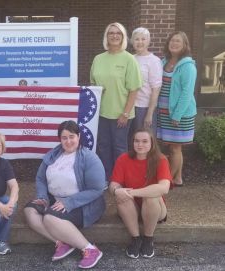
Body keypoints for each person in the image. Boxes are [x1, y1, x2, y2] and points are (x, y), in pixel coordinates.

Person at [24, 120, 106, 269]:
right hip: (53, 198)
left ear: (79, 136)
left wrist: (69, 202)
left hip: (82, 203)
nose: (68, 141)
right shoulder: (54, 154)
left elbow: (97, 189)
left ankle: (89, 249)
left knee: (49, 218)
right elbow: (41, 178)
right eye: (64, 138)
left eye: (72, 136)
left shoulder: (89, 158)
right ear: (60, 139)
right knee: (30, 210)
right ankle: (61, 243)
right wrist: (42, 196)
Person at [90, 22, 142, 183]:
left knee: (120, 148)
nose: (114, 36)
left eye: (118, 33)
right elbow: (93, 84)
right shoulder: (98, 59)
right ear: (106, 37)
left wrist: (125, 113)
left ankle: (120, 179)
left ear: (123, 37)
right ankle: (106, 178)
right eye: (111, 33)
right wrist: (99, 89)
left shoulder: (129, 59)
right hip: (102, 113)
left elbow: (134, 89)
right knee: (103, 147)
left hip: (122, 114)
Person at [110, 128, 172, 258]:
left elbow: (164, 188)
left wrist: (132, 193)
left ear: (152, 143)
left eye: (144, 141)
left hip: (156, 209)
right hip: (132, 209)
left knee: (150, 197)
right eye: (136, 141)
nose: (140, 144)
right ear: (132, 143)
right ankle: (136, 239)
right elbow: (113, 185)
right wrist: (116, 190)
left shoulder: (161, 160)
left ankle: (148, 239)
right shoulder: (123, 159)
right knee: (121, 196)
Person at [157, 31, 197, 186]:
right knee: (172, 147)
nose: (174, 44)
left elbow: (187, 92)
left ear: (184, 45)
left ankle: (168, 182)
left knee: (175, 148)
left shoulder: (188, 66)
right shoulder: (163, 62)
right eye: (172, 41)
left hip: (179, 113)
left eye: (178, 41)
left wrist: (177, 115)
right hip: (164, 111)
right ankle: (178, 178)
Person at [129, 27, 163, 137]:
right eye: (136, 39)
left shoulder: (154, 61)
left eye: (143, 39)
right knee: (131, 140)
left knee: (144, 140)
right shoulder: (130, 59)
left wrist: (149, 113)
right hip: (129, 106)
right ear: (132, 41)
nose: (140, 42)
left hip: (143, 108)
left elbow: (156, 89)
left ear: (148, 41)